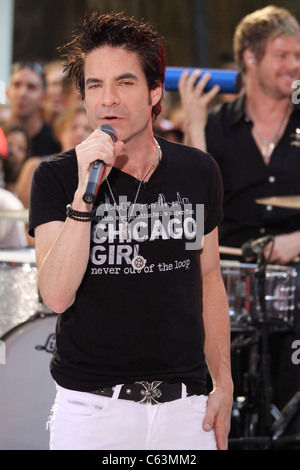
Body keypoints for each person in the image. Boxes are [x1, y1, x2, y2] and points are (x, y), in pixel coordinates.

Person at [29, 11, 233, 451]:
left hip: (186, 408)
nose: (109, 100)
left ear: (154, 91)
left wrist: (224, 383)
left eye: (124, 83)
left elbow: (209, 277)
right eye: (95, 85)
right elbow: (57, 295)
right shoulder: (56, 178)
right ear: (82, 97)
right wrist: (86, 194)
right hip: (93, 411)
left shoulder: (197, 171)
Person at [178, 5, 300, 439]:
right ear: (250, 58)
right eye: (284, 55)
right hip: (228, 278)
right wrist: (194, 125)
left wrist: (296, 240)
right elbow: (197, 205)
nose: (295, 66)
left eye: (298, 56)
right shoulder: (216, 126)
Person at [6, 61, 61, 157]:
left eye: (31, 87)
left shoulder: (56, 140)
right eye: (17, 85)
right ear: (8, 93)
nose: (22, 93)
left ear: (44, 97)